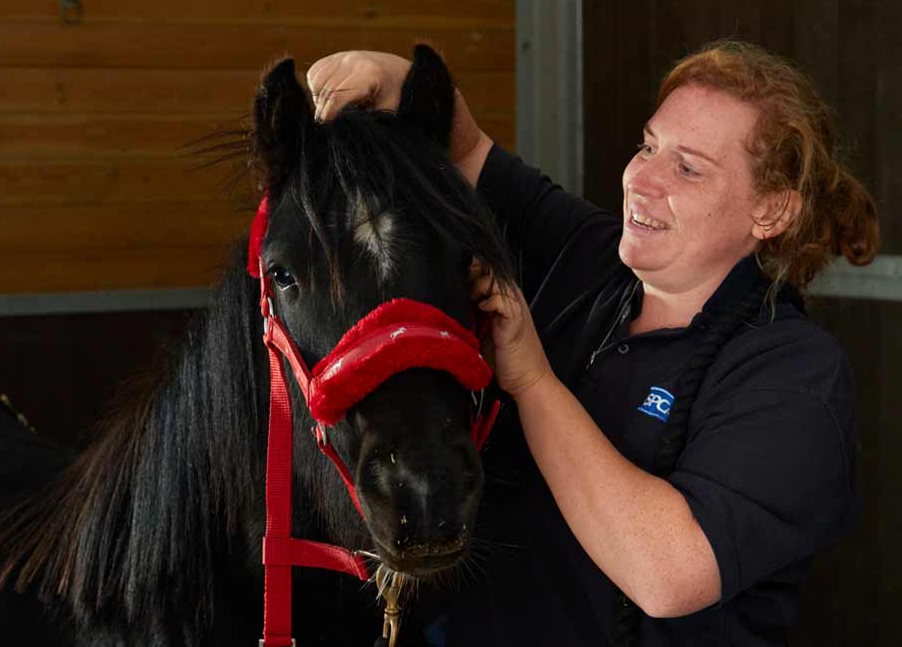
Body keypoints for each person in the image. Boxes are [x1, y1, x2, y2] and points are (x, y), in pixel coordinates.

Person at [306, 41, 880, 646]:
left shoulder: (793, 374)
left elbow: (668, 573)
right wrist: (394, 76)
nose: (642, 179)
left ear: (771, 210)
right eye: (649, 145)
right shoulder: (591, 254)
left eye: (688, 167)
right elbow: (470, 151)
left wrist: (533, 382)